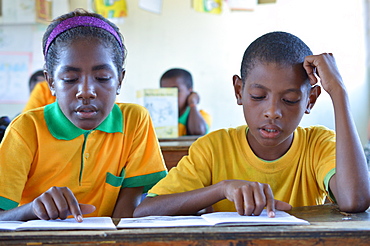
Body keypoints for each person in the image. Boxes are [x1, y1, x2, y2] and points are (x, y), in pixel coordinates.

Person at [134, 31, 370, 218]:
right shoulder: (214, 148)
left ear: (310, 99)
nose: (272, 112)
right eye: (258, 96)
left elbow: (355, 200)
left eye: (289, 100)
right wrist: (221, 189)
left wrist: (338, 92)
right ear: (239, 91)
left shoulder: (318, 145)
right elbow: (144, 211)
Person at [0, 9, 167, 222]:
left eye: (103, 77)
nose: (86, 91)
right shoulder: (26, 129)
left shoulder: (134, 121)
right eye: (70, 79)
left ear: (120, 80)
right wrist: (33, 209)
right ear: (51, 82)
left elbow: (126, 216)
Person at [160, 68, 212, 136]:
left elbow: (198, 132)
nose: (170, 96)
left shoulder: (203, 116)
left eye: (176, 91)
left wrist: (193, 103)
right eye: (164, 92)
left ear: (190, 91)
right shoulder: (157, 118)